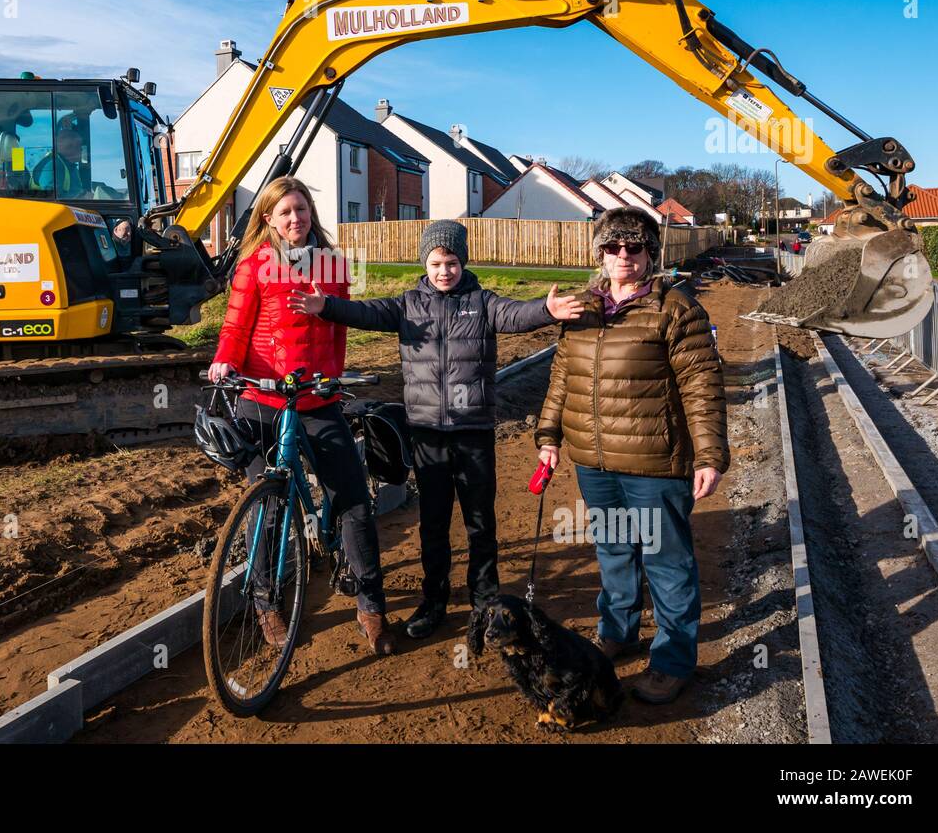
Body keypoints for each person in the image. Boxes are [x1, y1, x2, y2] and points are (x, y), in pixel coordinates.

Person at [291, 219, 585, 640]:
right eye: (435, 263)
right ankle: (434, 601)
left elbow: (515, 314)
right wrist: (328, 307)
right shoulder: (409, 304)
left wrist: (546, 309)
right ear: (424, 264)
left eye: (450, 262)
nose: (443, 270)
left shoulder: (482, 302)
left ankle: (485, 604)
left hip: (473, 431)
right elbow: (366, 311)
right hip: (426, 434)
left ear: (462, 262)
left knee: (480, 522)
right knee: (433, 523)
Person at [534, 207, 729, 705]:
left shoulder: (675, 309)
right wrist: (549, 434)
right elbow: (562, 377)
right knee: (614, 550)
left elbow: (701, 386)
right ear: (599, 253)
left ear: (650, 254)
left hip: (654, 463)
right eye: (613, 247)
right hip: (593, 460)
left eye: (634, 247)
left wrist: (708, 455)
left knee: (667, 561)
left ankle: (672, 661)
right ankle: (618, 631)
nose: (623, 256)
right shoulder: (581, 309)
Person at [209, 177, 397, 656]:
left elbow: (339, 327)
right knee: (268, 506)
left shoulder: (330, 265)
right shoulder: (254, 267)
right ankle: (265, 602)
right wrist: (224, 360)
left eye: (302, 210)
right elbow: (235, 326)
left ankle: (372, 605)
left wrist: (332, 377)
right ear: (268, 218)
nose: (296, 219)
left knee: (354, 500)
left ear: (311, 213)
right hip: (262, 399)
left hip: (316, 399)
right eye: (285, 212)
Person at [30, 127, 91, 199]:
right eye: (79, 146)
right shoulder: (53, 165)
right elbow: (51, 197)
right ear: (68, 147)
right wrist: (82, 197)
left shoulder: (72, 168)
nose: (82, 150)